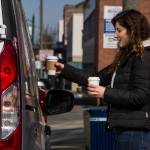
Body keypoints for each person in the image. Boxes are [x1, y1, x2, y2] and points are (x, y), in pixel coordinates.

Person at [55, 9, 150, 150]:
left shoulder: (143, 56)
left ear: (132, 30)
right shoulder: (127, 57)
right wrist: (64, 69)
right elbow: (96, 78)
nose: (115, 35)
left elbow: (140, 96)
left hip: (136, 134)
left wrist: (105, 93)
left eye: (119, 30)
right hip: (126, 131)